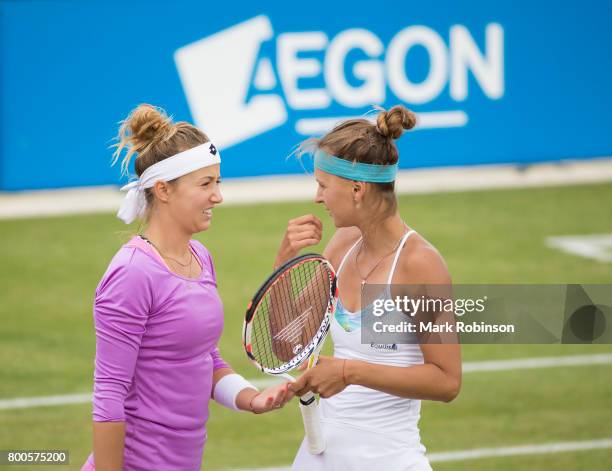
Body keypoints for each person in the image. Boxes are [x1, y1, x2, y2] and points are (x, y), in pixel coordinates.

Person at [82, 104, 292, 471]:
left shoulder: (200, 256)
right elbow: (109, 396)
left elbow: (203, 358)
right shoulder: (132, 274)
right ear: (163, 190)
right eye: (205, 184)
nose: (218, 196)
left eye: (218, 182)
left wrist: (250, 398)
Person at [274, 105, 462, 470]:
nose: (317, 197)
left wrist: (348, 372)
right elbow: (286, 344)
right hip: (319, 458)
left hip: (388, 460)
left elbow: (446, 381)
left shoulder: (419, 263)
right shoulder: (342, 246)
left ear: (357, 189)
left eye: (323, 185)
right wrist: (284, 261)